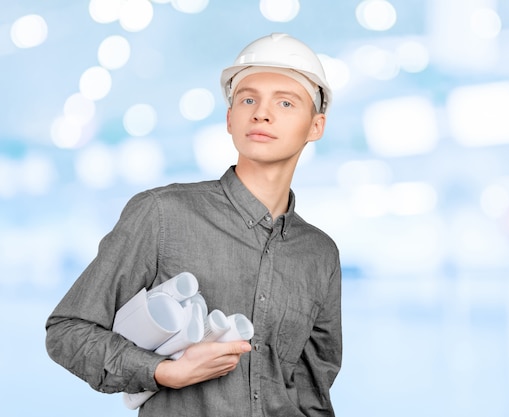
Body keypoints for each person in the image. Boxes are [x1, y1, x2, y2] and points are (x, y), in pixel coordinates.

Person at [45, 32, 342, 416]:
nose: (261, 113)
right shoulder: (162, 214)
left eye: (285, 102)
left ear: (316, 126)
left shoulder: (319, 254)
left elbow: (312, 393)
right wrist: (164, 371)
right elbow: (68, 331)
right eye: (248, 99)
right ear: (230, 118)